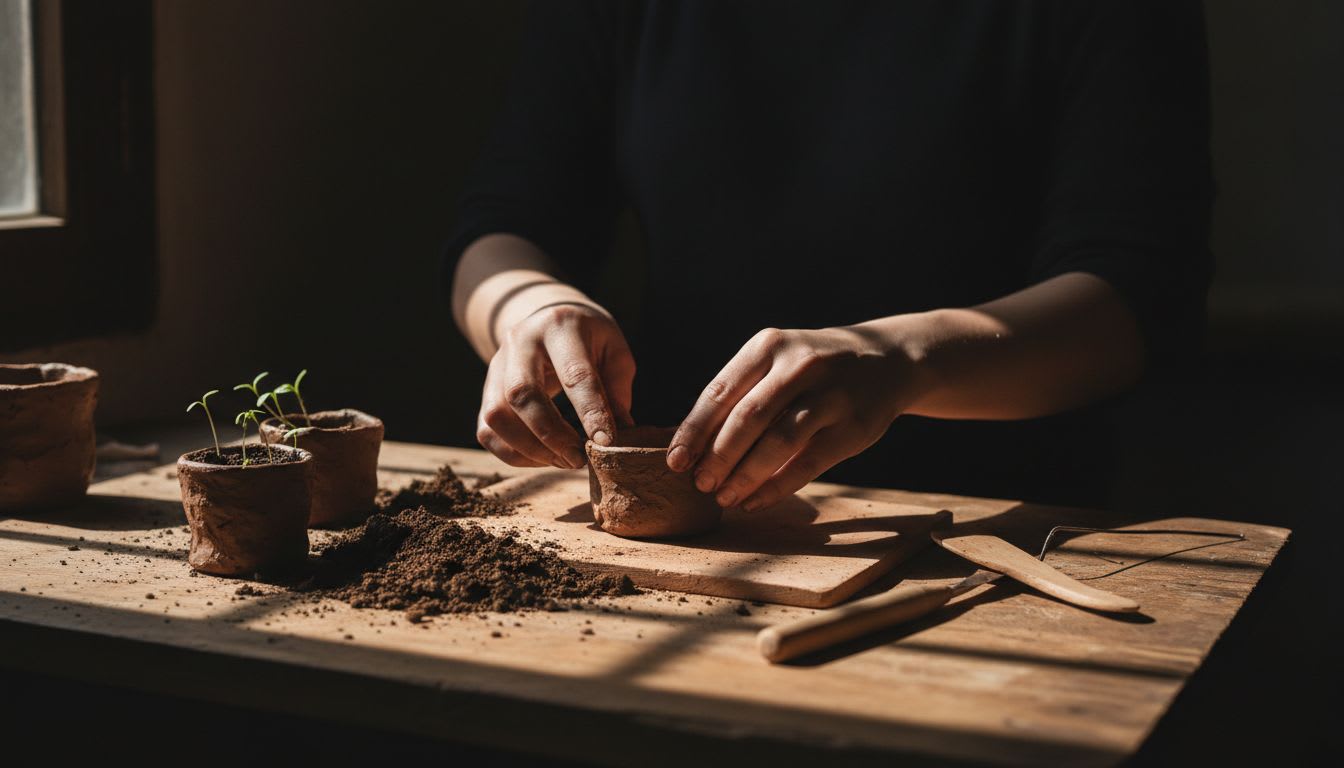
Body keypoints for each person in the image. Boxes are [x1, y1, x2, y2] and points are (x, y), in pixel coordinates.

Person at [447, 1, 1212, 508]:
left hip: (990, 520)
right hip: (698, 512)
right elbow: (504, 227)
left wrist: (904, 360)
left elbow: (1133, 300)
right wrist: (528, 308)